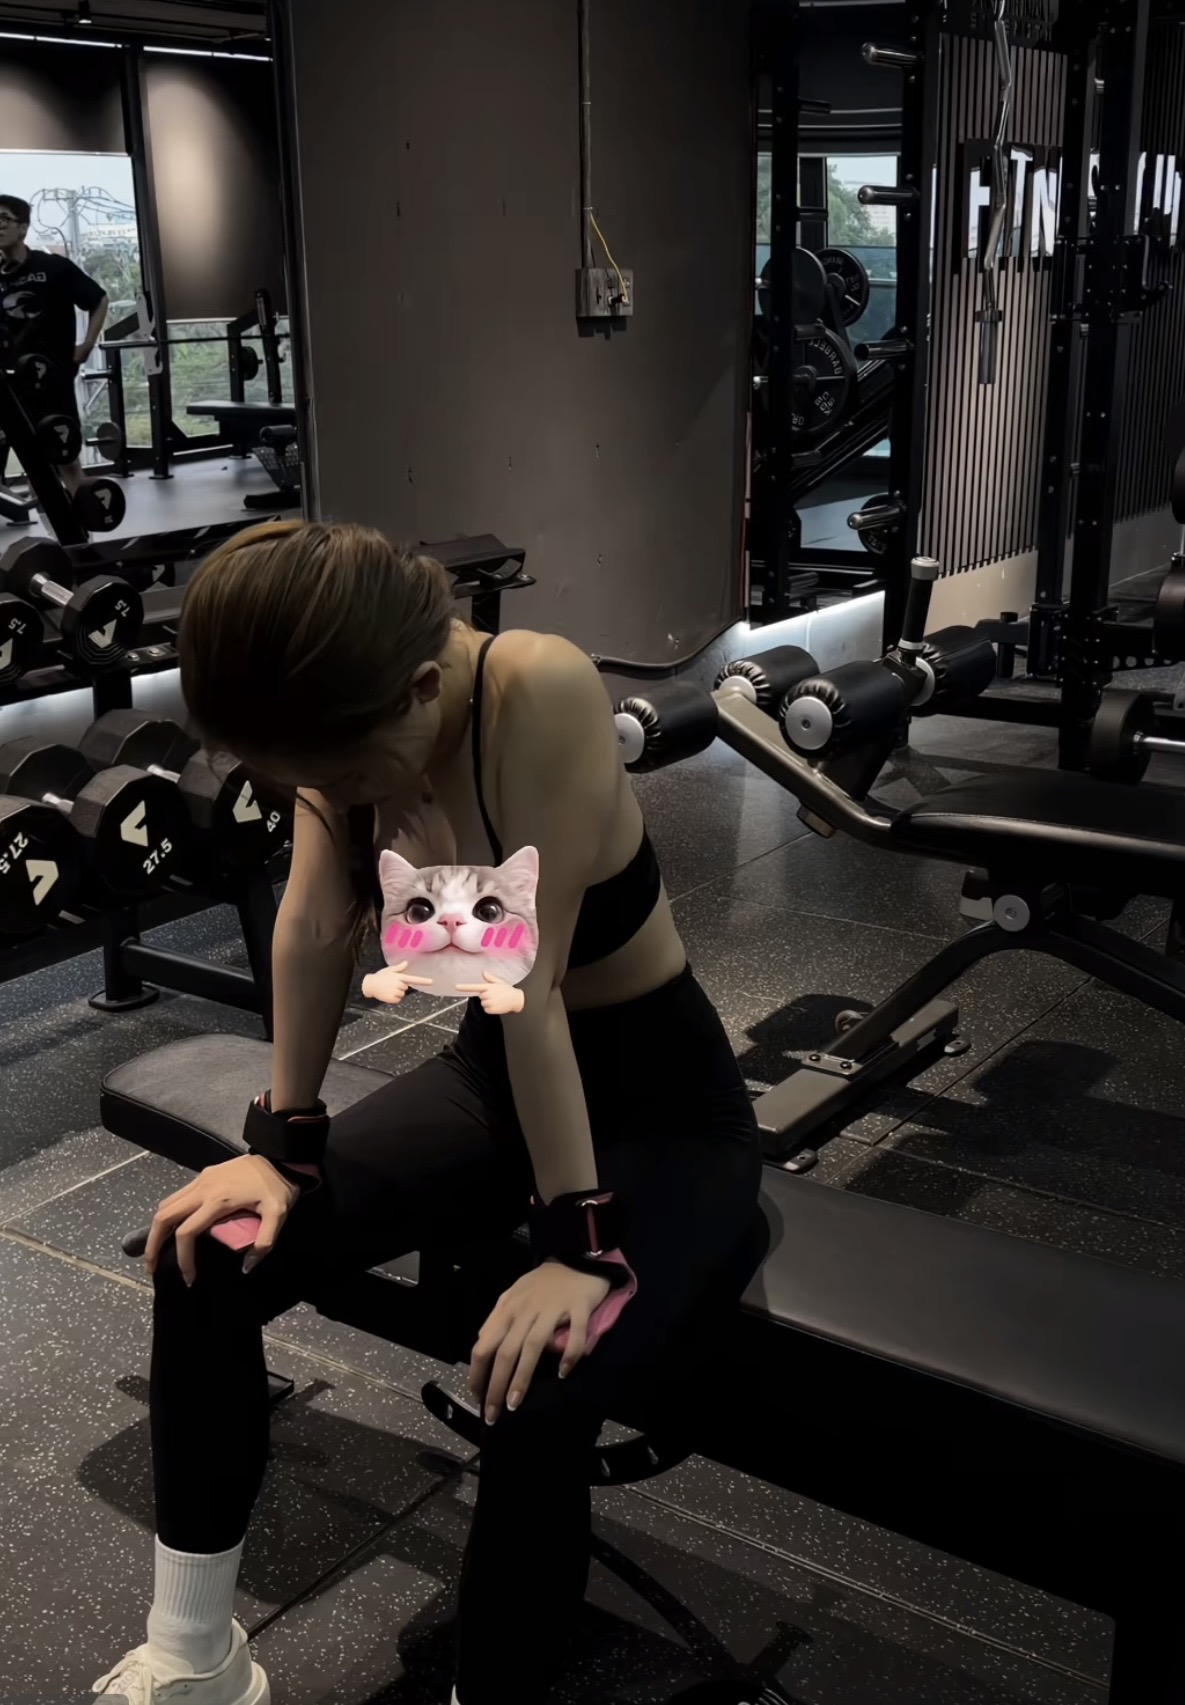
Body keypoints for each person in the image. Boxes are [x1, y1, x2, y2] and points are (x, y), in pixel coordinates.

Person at [90, 520, 764, 1705]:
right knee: (207, 1258)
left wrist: (579, 1247)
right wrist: (281, 1148)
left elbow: (527, 990)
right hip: (492, 1076)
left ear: (415, 687)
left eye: (346, 778)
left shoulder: (535, 689)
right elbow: (313, 927)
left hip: (658, 1107)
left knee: (541, 1372)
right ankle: (197, 1657)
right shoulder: (335, 712)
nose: (344, 802)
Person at [0, 194, 109, 497]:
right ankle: (50, 524)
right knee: (34, 464)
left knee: (65, 460)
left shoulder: (53, 267)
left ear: (23, 227)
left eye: (4, 219)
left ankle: (83, 522)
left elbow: (99, 300)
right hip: (12, 384)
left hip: (52, 380)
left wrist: (86, 345)